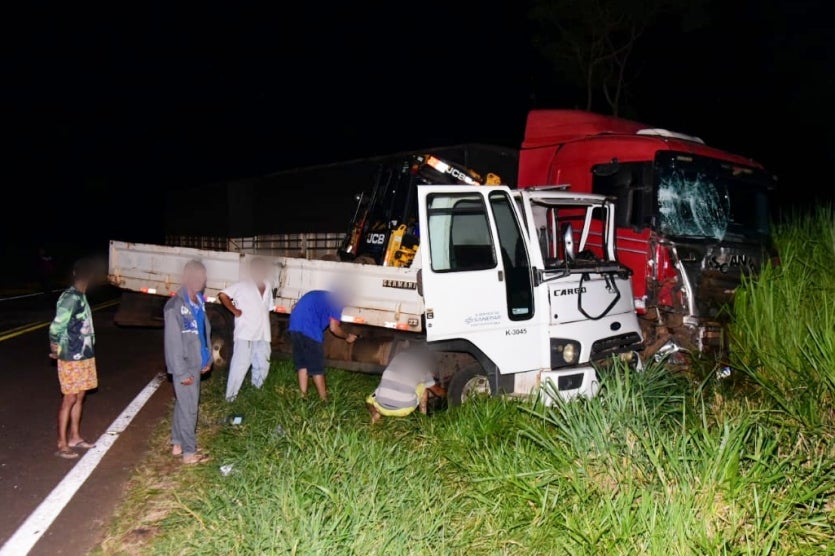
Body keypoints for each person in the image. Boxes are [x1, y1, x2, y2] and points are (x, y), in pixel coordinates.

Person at [48, 258, 98, 459]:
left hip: (84, 355)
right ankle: (62, 442)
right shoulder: (70, 297)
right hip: (71, 355)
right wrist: (55, 346)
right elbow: (55, 326)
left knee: (80, 396)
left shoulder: (81, 296)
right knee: (69, 398)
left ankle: (75, 437)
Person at [164, 260, 212, 465]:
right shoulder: (175, 306)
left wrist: (207, 357)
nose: (198, 281)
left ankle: (177, 443)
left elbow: (203, 332)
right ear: (185, 278)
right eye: (194, 276)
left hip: (197, 361)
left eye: (201, 277)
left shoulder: (199, 301)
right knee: (190, 409)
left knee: (183, 405)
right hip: (184, 364)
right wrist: (181, 372)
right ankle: (189, 453)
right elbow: (172, 343)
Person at [218, 258, 274, 402]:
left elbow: (267, 308)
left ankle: (256, 396)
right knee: (240, 366)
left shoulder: (268, 285)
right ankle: (230, 399)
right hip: (246, 333)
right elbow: (223, 295)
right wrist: (234, 310)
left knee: (262, 364)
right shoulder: (243, 285)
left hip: (263, 334)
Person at [288, 289, 357, 400]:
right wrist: (347, 336)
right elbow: (334, 328)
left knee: (303, 365)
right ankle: (324, 400)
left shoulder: (322, 295)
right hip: (310, 331)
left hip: (294, 327)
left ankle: (302, 397)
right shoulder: (336, 302)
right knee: (317, 368)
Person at [366, 348, 444, 423]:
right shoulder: (422, 367)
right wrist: (448, 393)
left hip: (381, 407)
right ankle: (422, 419)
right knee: (424, 385)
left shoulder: (397, 358)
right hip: (404, 409)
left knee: (369, 400)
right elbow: (437, 391)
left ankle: (375, 413)